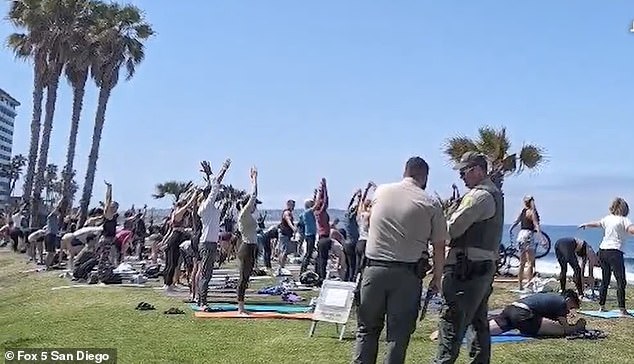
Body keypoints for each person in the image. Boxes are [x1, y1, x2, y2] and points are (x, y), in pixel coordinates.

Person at [353, 157, 447, 364]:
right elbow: (439, 246)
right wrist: (437, 277)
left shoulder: (382, 191)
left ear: (405, 171)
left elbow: (367, 220)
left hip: (374, 269)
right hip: (406, 274)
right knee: (398, 334)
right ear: (424, 177)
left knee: (367, 329)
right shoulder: (430, 203)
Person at [433, 152, 504, 364]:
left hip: (466, 269)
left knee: (451, 324)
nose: (461, 177)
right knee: (478, 323)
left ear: (477, 170)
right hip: (481, 268)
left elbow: (451, 229)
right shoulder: (494, 193)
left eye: (464, 172)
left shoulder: (478, 196)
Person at [579, 197, 634, 316]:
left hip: (602, 251)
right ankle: (622, 309)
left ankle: (602, 306)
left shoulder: (607, 219)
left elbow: (597, 223)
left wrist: (586, 224)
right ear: (625, 209)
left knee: (605, 279)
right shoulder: (624, 220)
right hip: (615, 251)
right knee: (621, 281)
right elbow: (631, 230)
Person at [197, 159, 231, 308]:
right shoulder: (206, 206)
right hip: (206, 243)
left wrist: (223, 170)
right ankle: (202, 302)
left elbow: (216, 184)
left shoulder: (210, 207)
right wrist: (212, 172)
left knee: (206, 273)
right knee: (205, 274)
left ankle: (201, 299)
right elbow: (215, 186)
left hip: (209, 243)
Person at [492, 290, 585, 336]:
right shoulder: (561, 302)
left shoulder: (552, 298)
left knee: (484, 331)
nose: (569, 311)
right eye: (571, 307)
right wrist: (579, 324)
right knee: (562, 330)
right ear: (568, 300)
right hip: (523, 315)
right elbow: (567, 329)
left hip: (512, 309)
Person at [236, 166, 261, 314]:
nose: (255, 206)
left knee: (247, 277)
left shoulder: (249, 215)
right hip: (246, 248)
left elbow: (253, 200)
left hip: (251, 247)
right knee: (243, 278)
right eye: (253, 205)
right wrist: (254, 180)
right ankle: (240, 308)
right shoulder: (244, 215)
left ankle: (242, 306)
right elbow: (252, 196)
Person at [163, 189, 199, 290]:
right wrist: (194, 195)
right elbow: (187, 205)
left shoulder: (176, 212)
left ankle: (169, 283)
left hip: (178, 236)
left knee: (173, 261)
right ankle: (168, 283)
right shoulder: (178, 212)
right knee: (172, 262)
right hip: (176, 236)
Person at [509, 195, 545, 291]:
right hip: (529, 235)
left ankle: (520, 285)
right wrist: (541, 238)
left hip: (521, 235)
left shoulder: (523, 211)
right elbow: (536, 225)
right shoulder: (532, 212)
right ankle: (529, 284)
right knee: (530, 262)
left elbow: (516, 221)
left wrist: (511, 229)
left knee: (522, 262)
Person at [96, 181, 119, 282]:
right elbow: (108, 200)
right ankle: (100, 275)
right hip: (106, 239)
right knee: (104, 257)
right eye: (114, 206)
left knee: (108, 257)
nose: (115, 208)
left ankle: (105, 273)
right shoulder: (108, 213)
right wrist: (109, 189)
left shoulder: (113, 215)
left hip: (109, 239)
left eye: (116, 207)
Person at [356, 182, 375, 277]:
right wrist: (376, 190)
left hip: (359, 241)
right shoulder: (369, 215)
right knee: (364, 266)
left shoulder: (360, 214)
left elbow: (361, 204)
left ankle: (354, 282)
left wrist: (366, 191)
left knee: (357, 265)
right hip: (367, 241)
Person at [314, 178, 331, 282]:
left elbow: (323, 201)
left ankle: (320, 276)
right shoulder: (320, 213)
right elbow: (325, 201)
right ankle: (322, 277)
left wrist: (320, 191)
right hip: (323, 237)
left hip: (322, 238)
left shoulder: (317, 213)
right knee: (323, 259)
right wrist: (325, 187)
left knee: (320, 259)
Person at [343, 189, 361, 282]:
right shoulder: (352, 218)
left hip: (346, 242)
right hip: (353, 242)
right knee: (354, 265)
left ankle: (346, 279)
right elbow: (357, 208)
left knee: (348, 264)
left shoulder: (346, 215)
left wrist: (354, 196)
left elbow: (349, 207)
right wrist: (360, 198)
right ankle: (352, 280)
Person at [277, 199, 296, 275]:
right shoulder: (287, 212)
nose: (293, 207)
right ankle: (281, 267)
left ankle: (282, 266)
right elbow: (288, 220)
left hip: (287, 235)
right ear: (289, 205)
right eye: (292, 205)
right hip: (284, 234)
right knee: (284, 251)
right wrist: (293, 228)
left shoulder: (290, 213)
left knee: (285, 251)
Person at [299, 198, 317, 274]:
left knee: (310, 253)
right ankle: (303, 270)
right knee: (308, 253)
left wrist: (315, 196)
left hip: (309, 234)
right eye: (311, 203)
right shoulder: (308, 212)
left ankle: (304, 268)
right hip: (310, 234)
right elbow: (316, 205)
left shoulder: (304, 213)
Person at [44, 200, 62, 269]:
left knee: (52, 252)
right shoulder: (51, 216)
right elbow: (56, 207)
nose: (58, 213)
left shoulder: (55, 219)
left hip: (53, 235)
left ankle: (48, 265)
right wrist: (61, 200)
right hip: (50, 235)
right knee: (49, 252)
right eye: (58, 212)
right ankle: (47, 266)